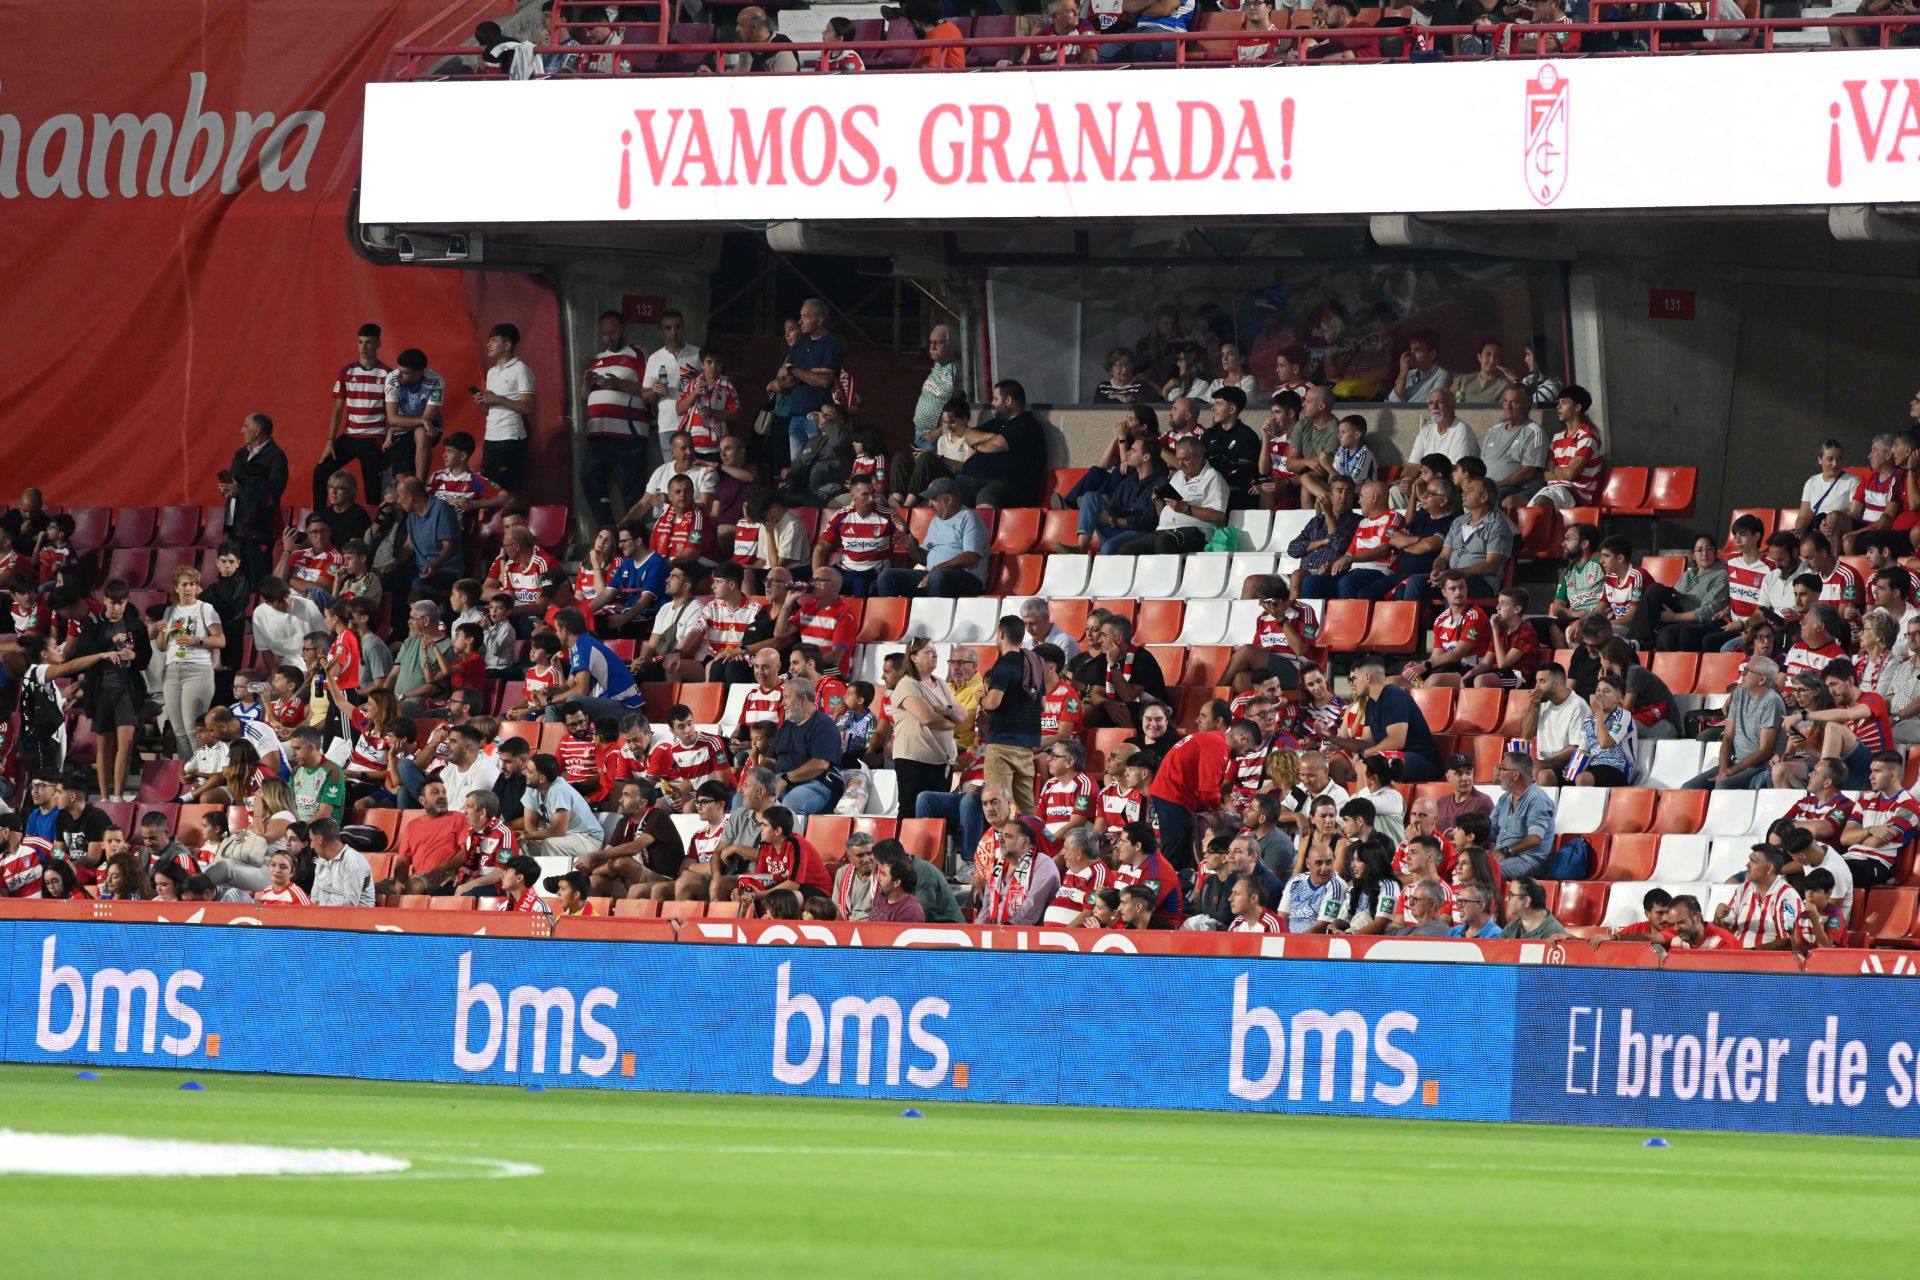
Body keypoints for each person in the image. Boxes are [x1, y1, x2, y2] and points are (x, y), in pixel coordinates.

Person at [875, 479, 988, 598]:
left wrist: (938, 568)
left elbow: (971, 556)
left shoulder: (969, 519)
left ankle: (934, 615)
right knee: (887, 577)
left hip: (967, 578)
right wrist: (911, 548)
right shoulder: (936, 521)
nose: (929, 504)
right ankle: (893, 616)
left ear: (948, 499)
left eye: (933, 499)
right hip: (934, 575)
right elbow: (925, 559)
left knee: (937, 576)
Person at [891, 636, 965, 818]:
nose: (935, 654)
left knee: (937, 815)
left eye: (936, 651)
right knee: (911, 811)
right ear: (914, 657)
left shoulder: (940, 683)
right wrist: (951, 720)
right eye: (929, 651)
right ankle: (904, 847)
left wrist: (946, 709)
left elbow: (962, 715)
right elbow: (928, 718)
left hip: (942, 762)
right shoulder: (907, 684)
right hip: (914, 761)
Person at [981, 616, 1045, 813]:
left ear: (1001, 634)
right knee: (1027, 808)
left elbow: (993, 702)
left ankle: (1003, 844)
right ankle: (1035, 842)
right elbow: (1042, 704)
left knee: (998, 804)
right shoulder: (1035, 664)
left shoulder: (1003, 664)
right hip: (1026, 747)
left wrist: (980, 698)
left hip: (1002, 745)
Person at [956, 380, 1047, 508]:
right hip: (975, 478)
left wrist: (979, 445)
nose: (992, 403)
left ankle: (985, 528)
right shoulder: (996, 423)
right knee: (946, 492)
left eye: (995, 399)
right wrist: (991, 436)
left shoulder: (1027, 425)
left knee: (987, 495)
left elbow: (996, 445)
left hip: (1014, 485)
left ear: (1008, 401)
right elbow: (969, 435)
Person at [471, 322, 533, 492]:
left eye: (493, 340)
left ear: (507, 345)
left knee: (509, 489)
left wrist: (498, 399)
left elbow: (527, 407)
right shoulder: (491, 372)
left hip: (510, 437)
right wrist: (484, 402)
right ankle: (495, 520)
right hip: (491, 436)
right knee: (490, 488)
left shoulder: (521, 369)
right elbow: (489, 411)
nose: (488, 344)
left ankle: (513, 519)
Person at [770, 678, 844, 817]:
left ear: (803, 699)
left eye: (786, 697)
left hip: (819, 784)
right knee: (745, 798)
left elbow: (820, 764)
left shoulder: (824, 725)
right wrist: (759, 777)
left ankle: (792, 839)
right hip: (783, 781)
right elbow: (770, 759)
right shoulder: (785, 726)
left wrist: (785, 779)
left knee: (793, 801)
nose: (782, 703)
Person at [1528, 385, 1605, 510]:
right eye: (1558, 403)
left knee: (1542, 503)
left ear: (1577, 407)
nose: (1558, 406)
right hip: (1552, 488)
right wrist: (1562, 470)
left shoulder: (1587, 436)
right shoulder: (1557, 437)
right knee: (1511, 501)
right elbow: (1545, 475)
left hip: (1576, 494)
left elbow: (1571, 474)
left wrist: (1555, 469)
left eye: (1564, 403)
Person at [1491, 750, 1555, 877]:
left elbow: (1535, 839)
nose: (1499, 773)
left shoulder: (1538, 799)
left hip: (1530, 861)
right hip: (1505, 858)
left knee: (1488, 871)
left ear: (1515, 775)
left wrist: (1505, 852)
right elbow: (1491, 830)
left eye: (1503, 769)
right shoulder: (1505, 798)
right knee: (1465, 865)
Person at [1664, 893, 1741, 951]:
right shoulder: (1677, 941)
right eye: (1673, 924)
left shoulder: (1722, 941)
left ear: (1697, 917)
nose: (1676, 928)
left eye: (1681, 922)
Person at [1499, 878, 1566, 939]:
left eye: (1511, 895)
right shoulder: (1510, 928)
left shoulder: (1554, 934)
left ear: (1526, 901)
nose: (1506, 899)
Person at [870, 853, 927, 923]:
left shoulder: (910, 912)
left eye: (883, 874)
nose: (878, 878)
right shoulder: (880, 896)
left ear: (896, 883)